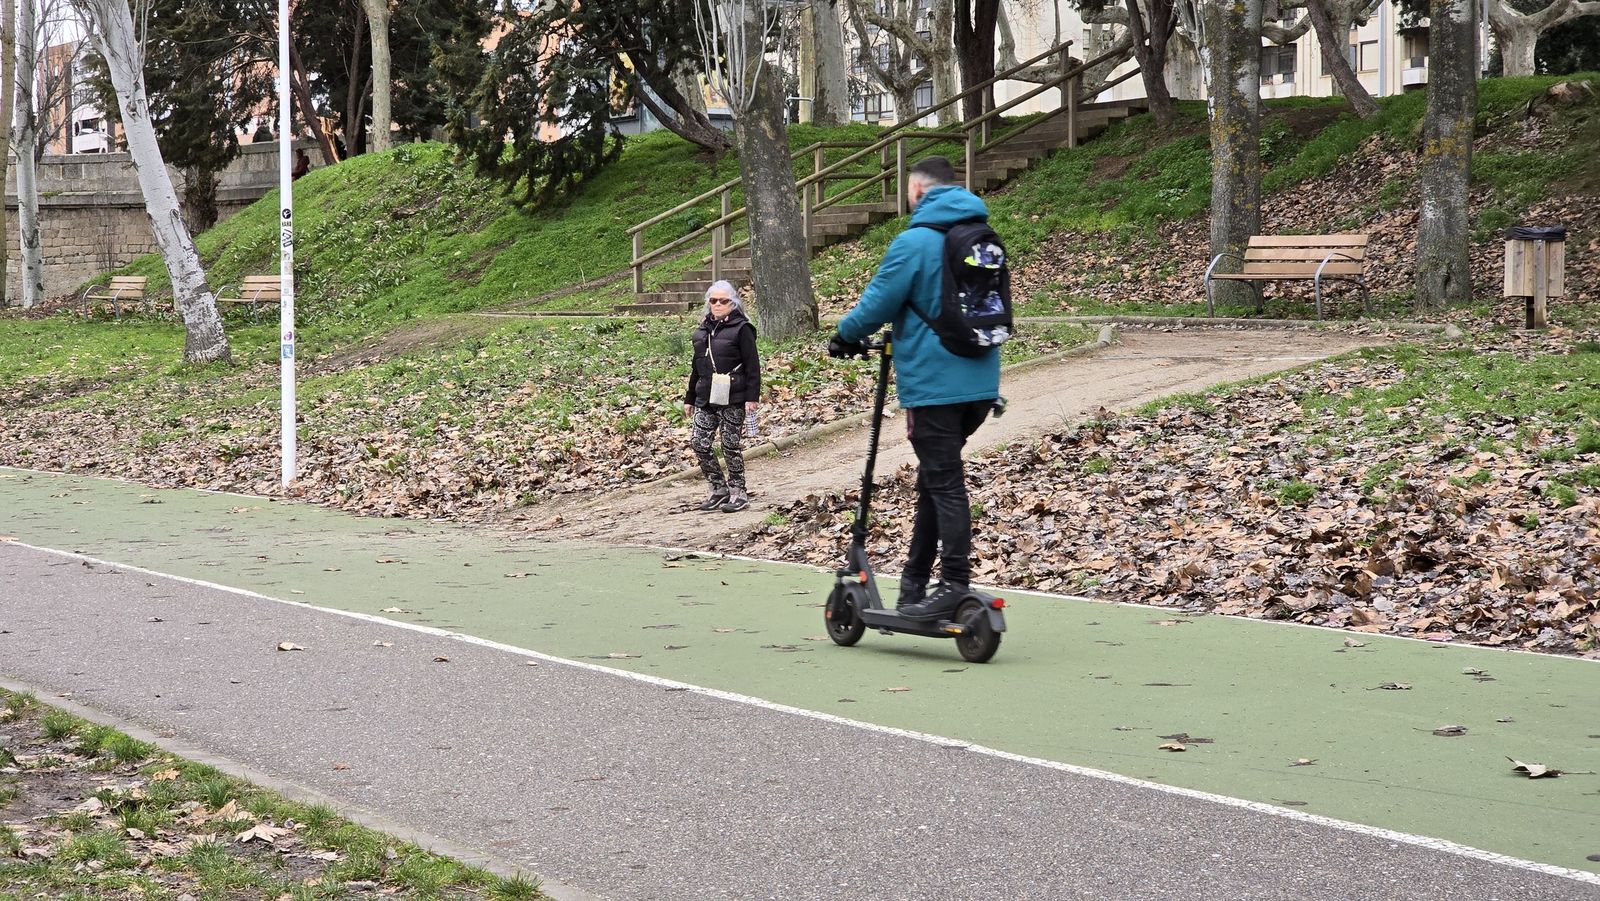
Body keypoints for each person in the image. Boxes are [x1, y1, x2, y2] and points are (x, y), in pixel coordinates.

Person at [829, 156, 1001, 620]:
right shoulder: (982, 237)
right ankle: (913, 586)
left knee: (944, 482)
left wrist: (844, 335)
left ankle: (954, 583)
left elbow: (876, 303)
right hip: (980, 385)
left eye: (908, 190)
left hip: (934, 385)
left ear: (921, 191)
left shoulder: (916, 241)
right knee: (933, 478)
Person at [685, 281, 761, 513]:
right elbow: (697, 365)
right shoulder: (702, 331)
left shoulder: (742, 328)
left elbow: (752, 365)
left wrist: (752, 397)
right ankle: (718, 488)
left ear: (733, 303)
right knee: (699, 442)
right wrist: (689, 397)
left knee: (730, 445)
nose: (718, 305)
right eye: (713, 300)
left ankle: (738, 491)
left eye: (723, 300)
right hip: (706, 396)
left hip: (734, 395)